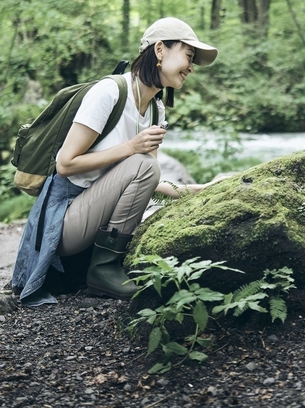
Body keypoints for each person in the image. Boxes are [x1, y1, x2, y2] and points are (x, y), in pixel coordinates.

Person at [11, 18, 218, 304]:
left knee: (145, 165)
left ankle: (104, 267)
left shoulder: (156, 111)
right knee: (143, 162)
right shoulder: (109, 92)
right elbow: (65, 164)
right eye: (188, 56)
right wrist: (131, 147)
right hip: (62, 222)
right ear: (160, 50)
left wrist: (202, 189)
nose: (191, 67)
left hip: (94, 215)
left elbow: (149, 181)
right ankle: (103, 269)